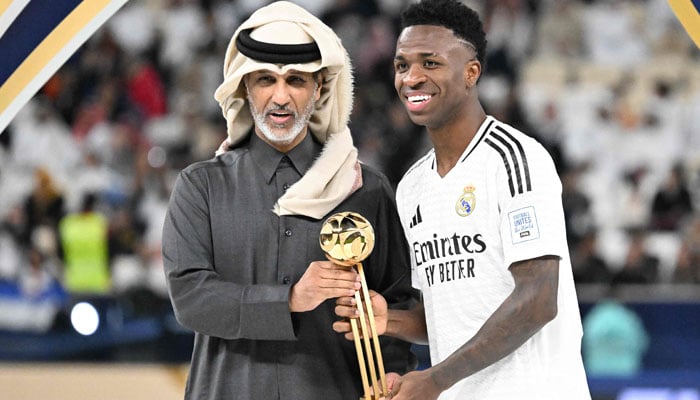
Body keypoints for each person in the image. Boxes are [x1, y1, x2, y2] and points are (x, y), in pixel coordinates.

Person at [334, 1, 591, 399]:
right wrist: (391, 321)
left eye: (430, 63)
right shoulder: (413, 186)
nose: (411, 78)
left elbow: (538, 299)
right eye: (402, 65)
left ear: (472, 73)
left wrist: (436, 379)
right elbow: (447, 312)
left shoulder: (515, 159)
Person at [161, 2, 416, 399]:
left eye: (296, 80)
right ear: (246, 88)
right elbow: (192, 299)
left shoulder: (365, 189)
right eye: (265, 80)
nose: (280, 97)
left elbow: (399, 306)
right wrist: (291, 299)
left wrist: (393, 373)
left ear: (319, 89)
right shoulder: (200, 188)